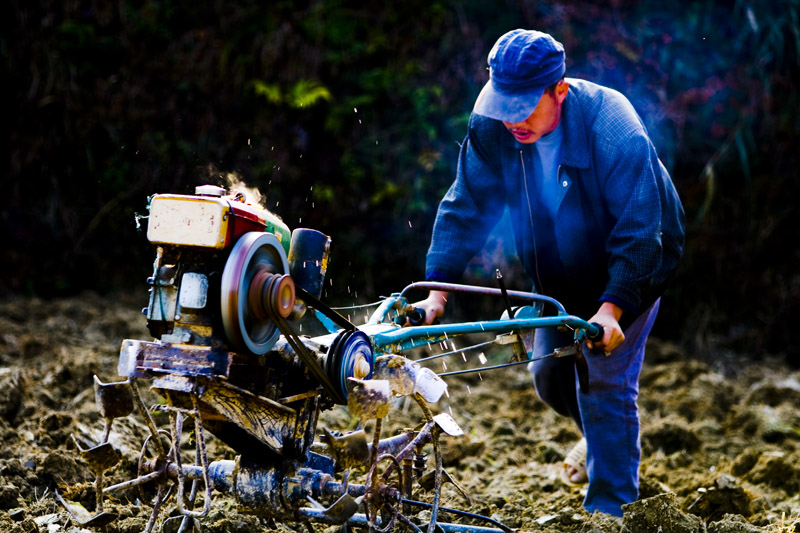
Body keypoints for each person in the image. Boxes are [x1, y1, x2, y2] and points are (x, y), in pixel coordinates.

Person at [411, 29, 685, 517]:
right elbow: (465, 205)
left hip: (634, 265)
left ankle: (612, 510)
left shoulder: (613, 127)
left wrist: (612, 307)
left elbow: (641, 231)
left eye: (524, 105)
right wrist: (436, 293)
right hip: (558, 268)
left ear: (559, 90)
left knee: (604, 380)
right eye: (503, 103)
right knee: (549, 376)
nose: (511, 118)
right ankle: (604, 443)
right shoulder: (493, 126)